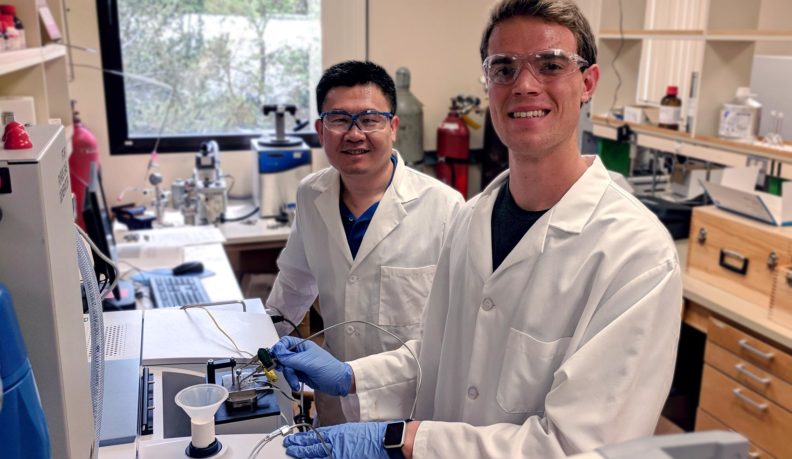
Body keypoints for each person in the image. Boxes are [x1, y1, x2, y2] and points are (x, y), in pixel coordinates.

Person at [272, 0, 683, 457]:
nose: (524, 85)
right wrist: (352, 377)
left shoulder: (636, 254)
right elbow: (438, 356)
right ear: (488, 84)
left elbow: (580, 446)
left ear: (587, 83)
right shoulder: (472, 220)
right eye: (504, 68)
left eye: (550, 65)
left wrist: (400, 440)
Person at [266, 60, 464, 426]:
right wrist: (266, 348)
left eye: (370, 119)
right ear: (320, 130)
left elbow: (455, 334)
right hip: (335, 407)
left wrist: (352, 378)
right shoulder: (312, 195)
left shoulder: (444, 207)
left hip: (412, 409)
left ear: (393, 127)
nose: (354, 134)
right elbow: (294, 283)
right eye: (339, 120)